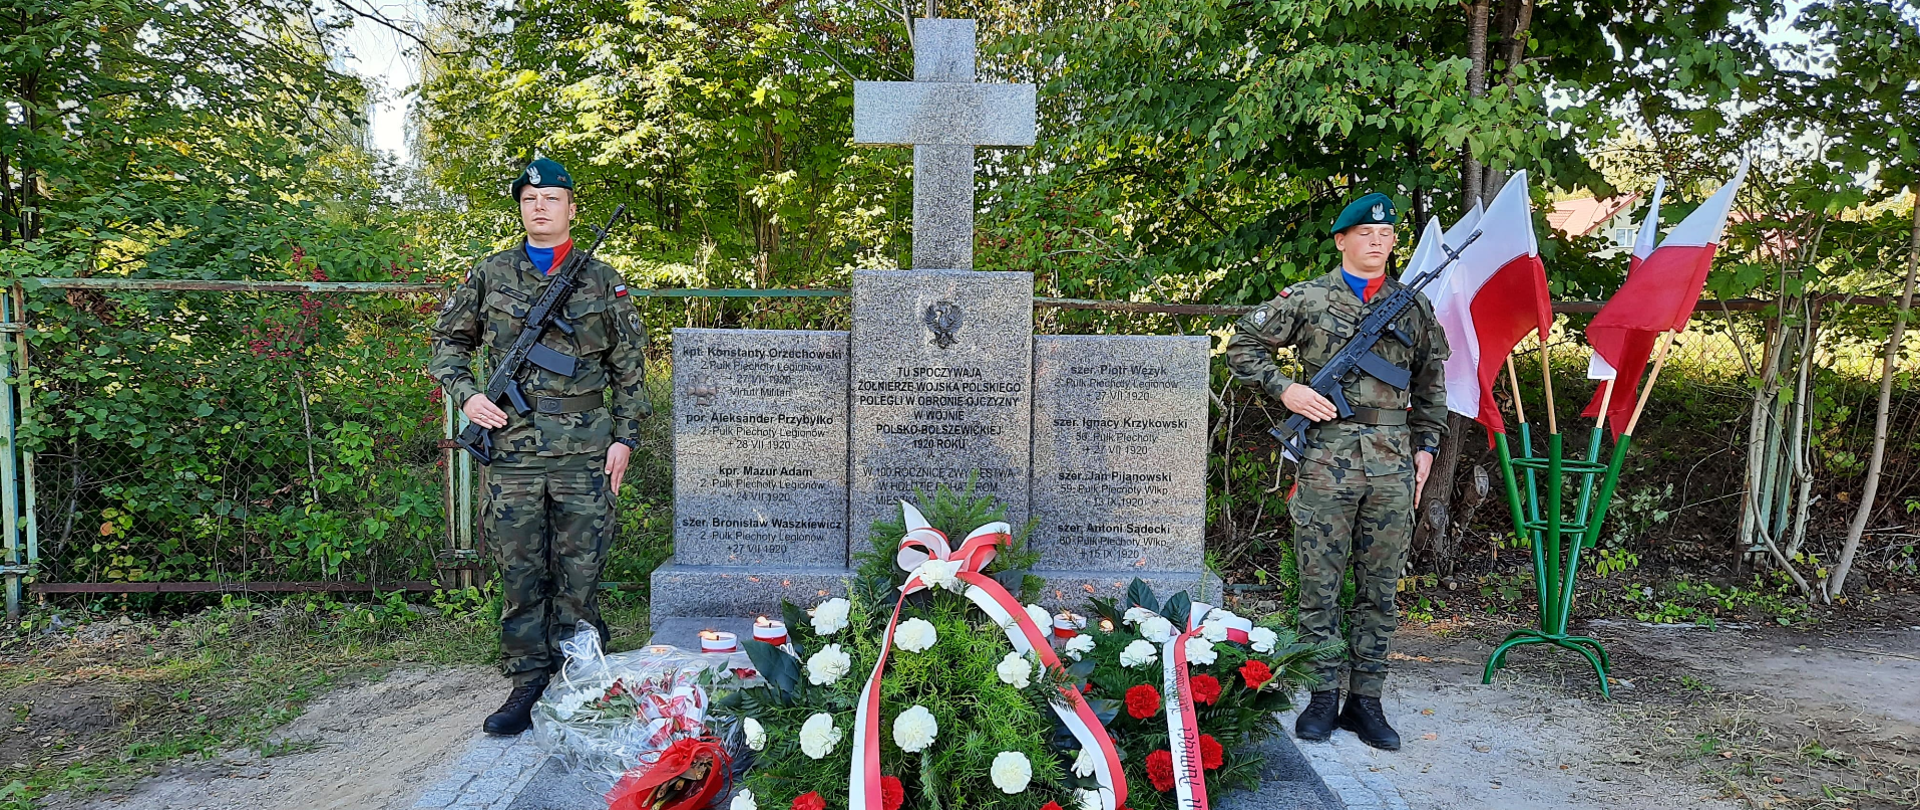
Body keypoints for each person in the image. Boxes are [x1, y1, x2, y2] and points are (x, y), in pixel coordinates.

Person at [429, 157, 652, 735]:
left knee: (581, 567)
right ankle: (528, 678)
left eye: (551, 198)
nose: (539, 207)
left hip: (584, 451)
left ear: (570, 208)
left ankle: (582, 673)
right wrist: (467, 395)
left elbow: (629, 370)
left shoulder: (603, 281)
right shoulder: (491, 273)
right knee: (519, 566)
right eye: (530, 199)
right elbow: (448, 345)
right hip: (513, 450)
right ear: (521, 208)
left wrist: (625, 438)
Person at [1223, 192, 1449, 751]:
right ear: (1342, 239)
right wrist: (1288, 389)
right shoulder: (1306, 298)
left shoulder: (1412, 306)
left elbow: (1431, 387)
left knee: (1380, 588)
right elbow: (1243, 346)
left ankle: (1366, 701)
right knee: (1319, 584)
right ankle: (1321, 695)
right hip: (1327, 460)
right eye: (1366, 234)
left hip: (1394, 464)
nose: (1378, 241)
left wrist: (1425, 448)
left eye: (1387, 235)